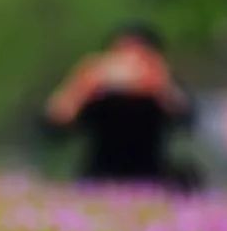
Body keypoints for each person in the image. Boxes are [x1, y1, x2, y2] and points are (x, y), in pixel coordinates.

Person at [44, 24, 199, 190]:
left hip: (152, 175)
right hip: (98, 175)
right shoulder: (97, 90)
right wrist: (83, 85)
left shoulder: (163, 86)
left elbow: (187, 121)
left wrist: (159, 82)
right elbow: (55, 124)